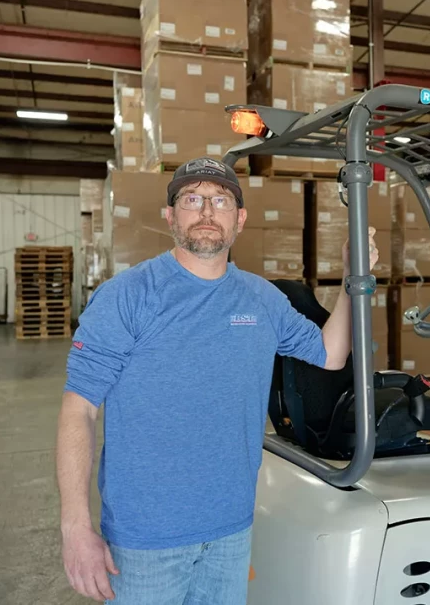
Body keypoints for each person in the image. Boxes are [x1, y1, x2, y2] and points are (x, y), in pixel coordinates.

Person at [55, 157, 380, 604]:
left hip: (230, 530)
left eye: (221, 200)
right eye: (192, 199)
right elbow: (80, 410)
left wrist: (351, 279)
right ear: (170, 215)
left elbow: (330, 353)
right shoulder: (128, 296)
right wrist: (75, 528)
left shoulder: (262, 298)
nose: (207, 211)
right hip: (145, 539)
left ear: (239, 219)